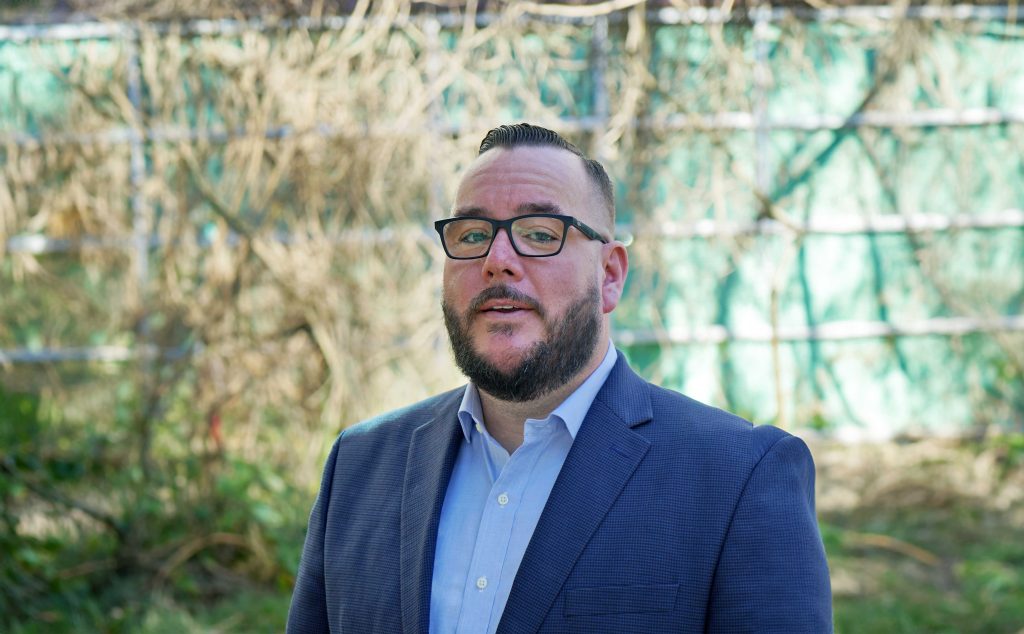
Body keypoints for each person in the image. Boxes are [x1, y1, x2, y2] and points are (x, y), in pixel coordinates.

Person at [287, 123, 833, 633]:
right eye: (473, 234)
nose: (498, 260)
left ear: (610, 275)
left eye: (540, 233)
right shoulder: (358, 468)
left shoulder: (740, 480)